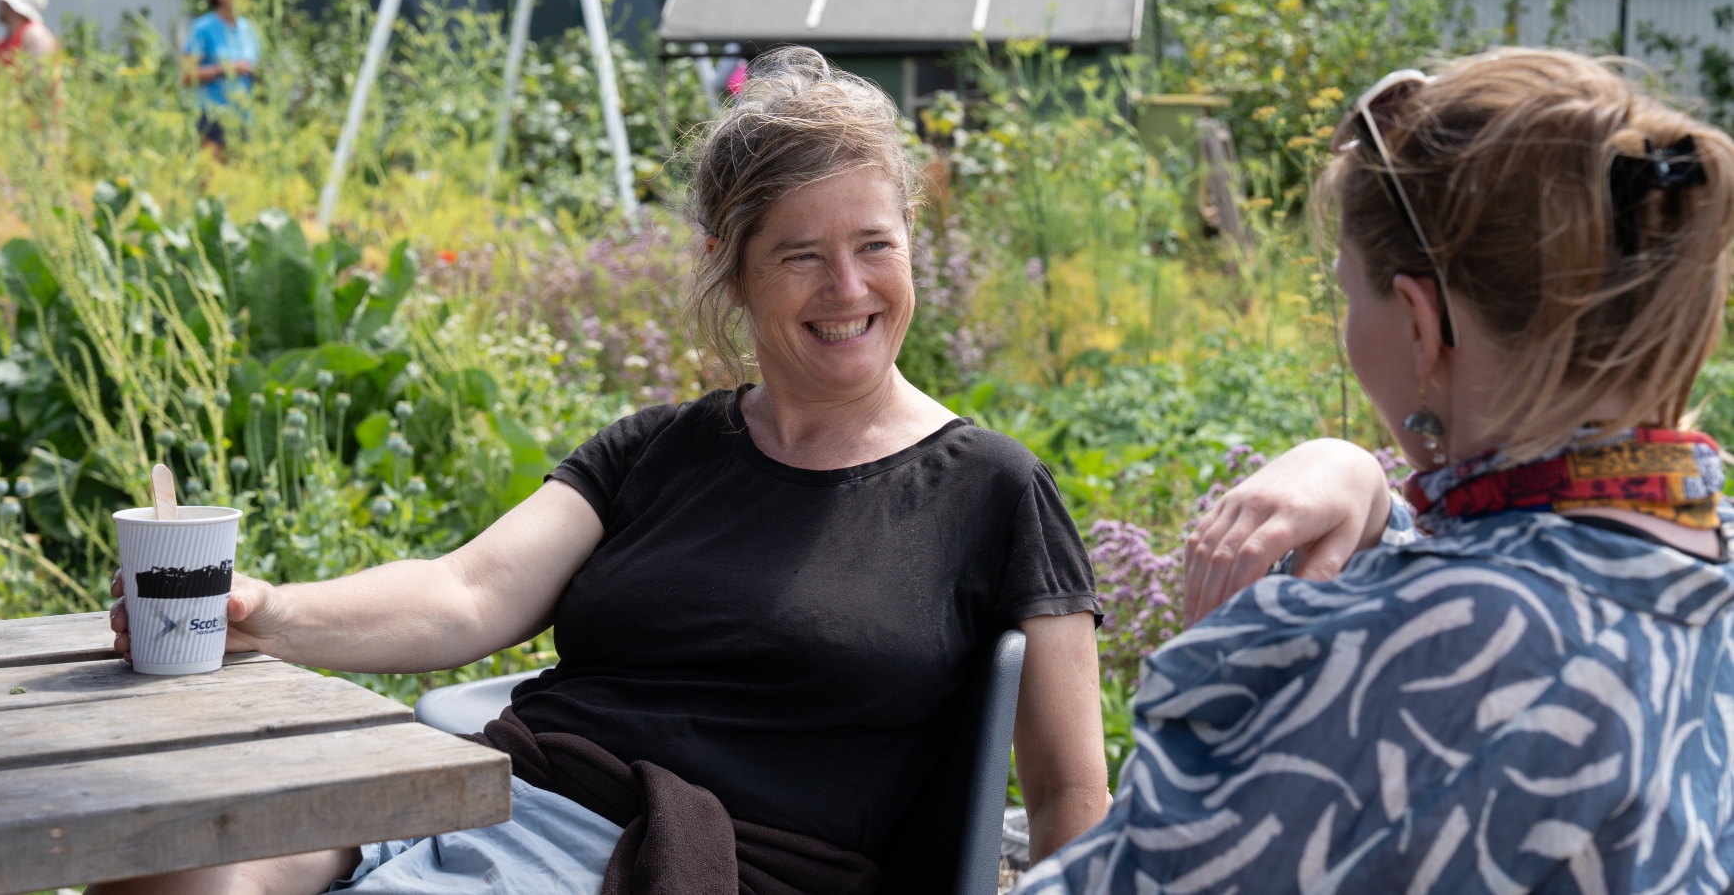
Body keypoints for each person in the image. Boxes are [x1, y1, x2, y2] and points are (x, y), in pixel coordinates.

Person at [87, 47, 1142, 895]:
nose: (847, 287)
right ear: (732, 270)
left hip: (682, 856)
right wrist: (259, 612)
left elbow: (1064, 791)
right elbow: (468, 590)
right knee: (163, 865)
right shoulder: (659, 450)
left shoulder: (992, 489)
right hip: (498, 787)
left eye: (875, 244)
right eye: (799, 255)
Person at [1021, 48, 1734, 893]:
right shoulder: (1692, 569)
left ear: (1420, 323)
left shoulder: (1414, 655)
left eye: (1347, 295)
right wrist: (1368, 489)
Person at [184, 0, 260, 158]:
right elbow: (187, 76)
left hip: (244, 118)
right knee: (212, 179)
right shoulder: (203, 28)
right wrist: (227, 69)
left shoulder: (250, 29)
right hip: (213, 116)